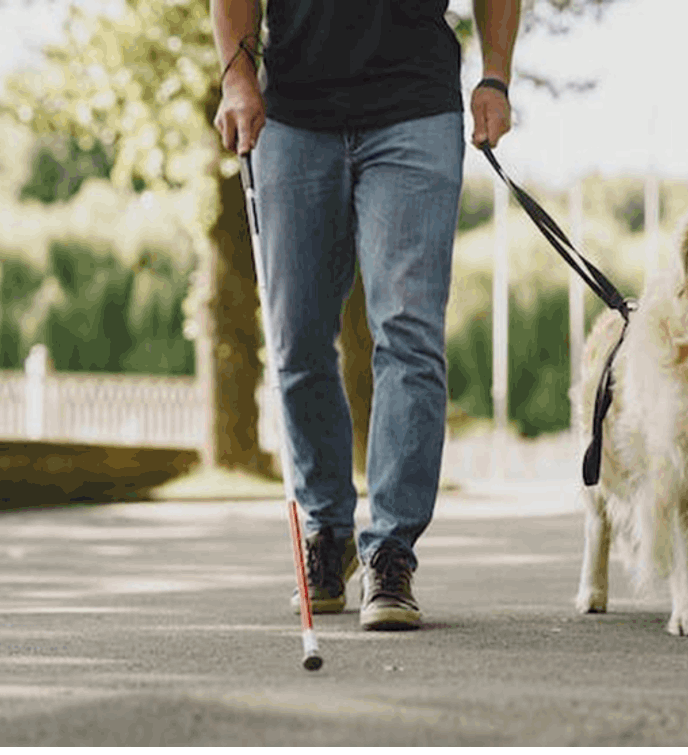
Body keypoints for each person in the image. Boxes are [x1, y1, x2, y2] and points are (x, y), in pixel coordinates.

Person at [212, 0, 518, 631]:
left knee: (408, 332)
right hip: (293, 116)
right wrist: (236, 76)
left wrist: (495, 76)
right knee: (296, 339)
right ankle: (326, 533)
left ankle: (390, 552)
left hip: (414, 111)